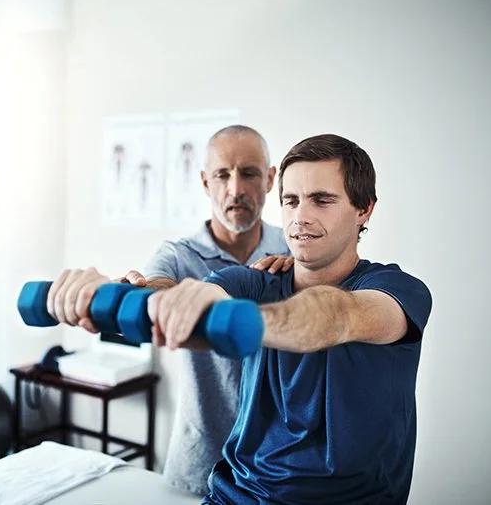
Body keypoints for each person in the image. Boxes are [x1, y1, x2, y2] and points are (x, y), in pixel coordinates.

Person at [46, 133, 432, 504]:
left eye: (321, 200)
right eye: (291, 201)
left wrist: (247, 322)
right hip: (235, 495)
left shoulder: (397, 289)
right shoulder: (254, 279)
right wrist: (109, 297)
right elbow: (180, 301)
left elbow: (337, 316)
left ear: (364, 209)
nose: (300, 217)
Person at [122, 124, 291, 494]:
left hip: (278, 465)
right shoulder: (179, 255)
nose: (235, 189)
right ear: (204, 182)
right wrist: (141, 293)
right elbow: (157, 286)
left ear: (269, 179)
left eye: (249, 173)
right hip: (200, 462)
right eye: (222, 175)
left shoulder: (294, 253)